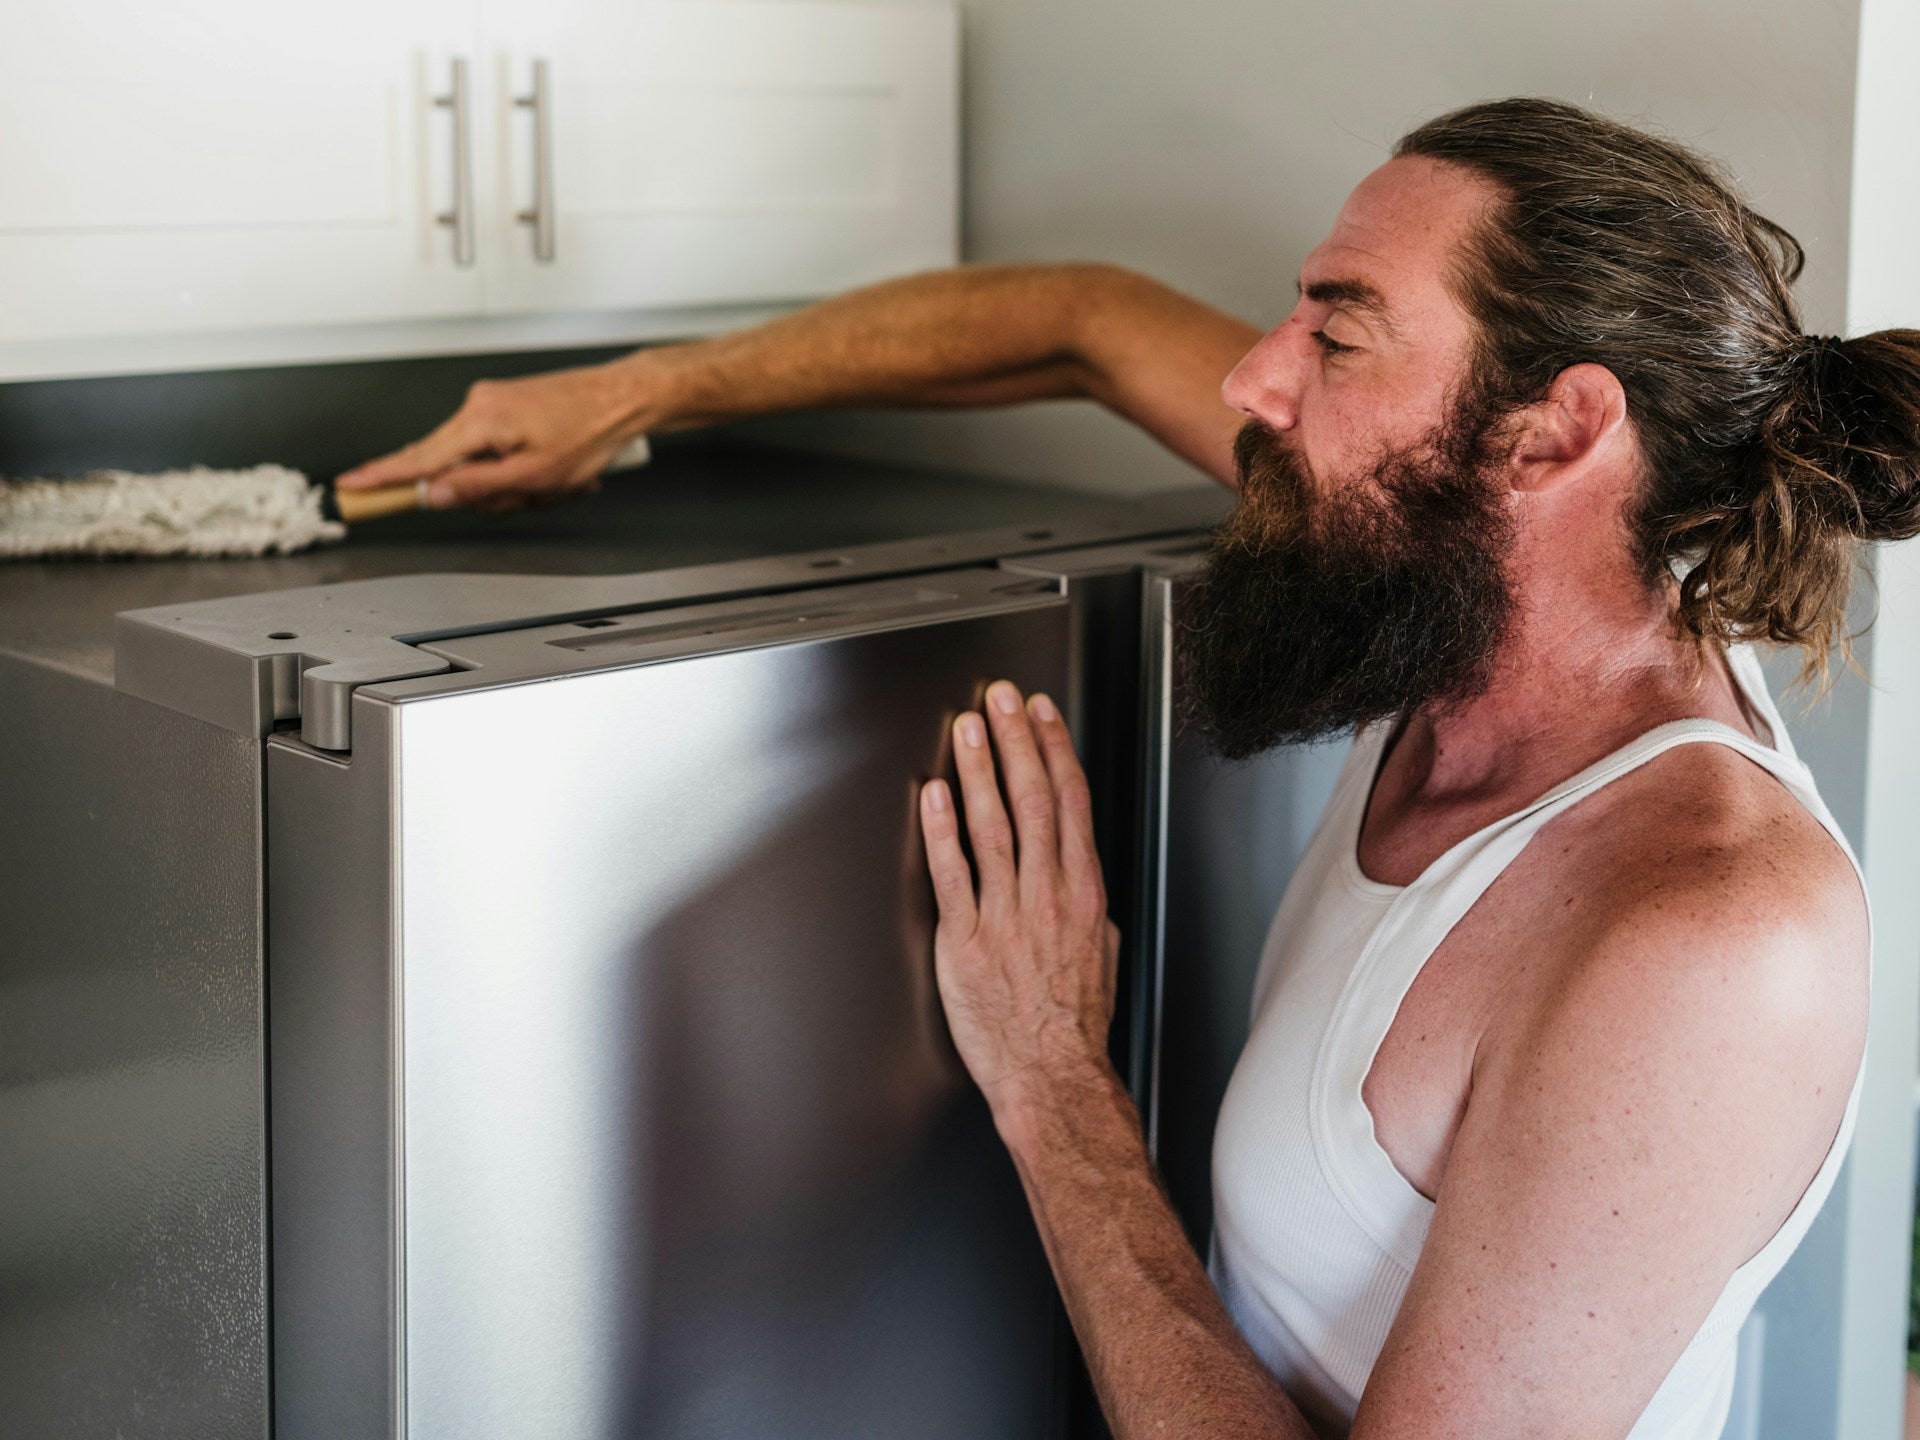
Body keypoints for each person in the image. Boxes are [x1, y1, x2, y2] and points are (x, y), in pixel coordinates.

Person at [345, 99, 1920, 1438]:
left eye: (1340, 328)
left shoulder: (1710, 935)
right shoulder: (1428, 580)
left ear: (1552, 435)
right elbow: (1083, 322)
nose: (1254, 378)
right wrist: (631, 396)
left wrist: (1047, 1078)